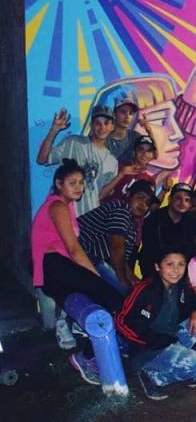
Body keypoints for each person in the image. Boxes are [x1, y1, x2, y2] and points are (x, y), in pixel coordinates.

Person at [30, 160, 125, 385]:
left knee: (106, 299)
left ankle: (90, 349)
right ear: (58, 184)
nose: (79, 188)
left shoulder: (67, 206)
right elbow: (74, 249)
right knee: (114, 300)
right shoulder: (58, 206)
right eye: (72, 183)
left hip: (57, 268)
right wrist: (96, 278)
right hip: (52, 266)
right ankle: (86, 357)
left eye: (81, 183)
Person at [116, 248, 196, 401]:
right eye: (169, 264)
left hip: (173, 338)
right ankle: (153, 376)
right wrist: (150, 342)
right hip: (149, 349)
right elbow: (121, 321)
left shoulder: (181, 286)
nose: (176, 270)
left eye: (181, 264)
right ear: (157, 267)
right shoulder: (144, 290)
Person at [36, 105, 119, 216]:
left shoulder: (112, 162)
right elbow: (42, 159)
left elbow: (100, 195)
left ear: (112, 127)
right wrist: (54, 130)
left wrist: (122, 174)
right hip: (65, 213)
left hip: (91, 219)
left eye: (107, 123)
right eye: (97, 123)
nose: (102, 127)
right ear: (91, 125)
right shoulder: (73, 142)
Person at [77, 179, 157, 294]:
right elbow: (116, 246)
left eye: (148, 202)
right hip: (82, 260)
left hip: (92, 262)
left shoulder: (131, 224)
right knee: (123, 296)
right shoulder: (121, 208)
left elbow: (120, 257)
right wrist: (123, 281)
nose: (143, 204)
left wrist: (133, 279)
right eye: (140, 197)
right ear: (128, 194)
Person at [138, 183, 196, 278]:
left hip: (180, 277)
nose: (182, 203)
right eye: (178, 198)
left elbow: (190, 253)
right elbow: (148, 252)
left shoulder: (192, 223)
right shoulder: (154, 219)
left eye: (187, 200)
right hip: (154, 275)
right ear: (170, 199)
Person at [99, 135, 161, 204]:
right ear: (134, 152)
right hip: (108, 211)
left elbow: (151, 208)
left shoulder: (150, 180)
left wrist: (165, 189)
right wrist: (121, 174)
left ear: (152, 155)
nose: (145, 154)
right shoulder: (118, 166)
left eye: (149, 151)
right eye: (140, 149)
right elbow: (101, 195)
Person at [104, 90, 159, 164]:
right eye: (123, 112)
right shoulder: (104, 139)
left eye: (130, 113)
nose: (127, 117)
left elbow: (155, 155)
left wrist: (149, 131)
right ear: (114, 114)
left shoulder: (134, 136)